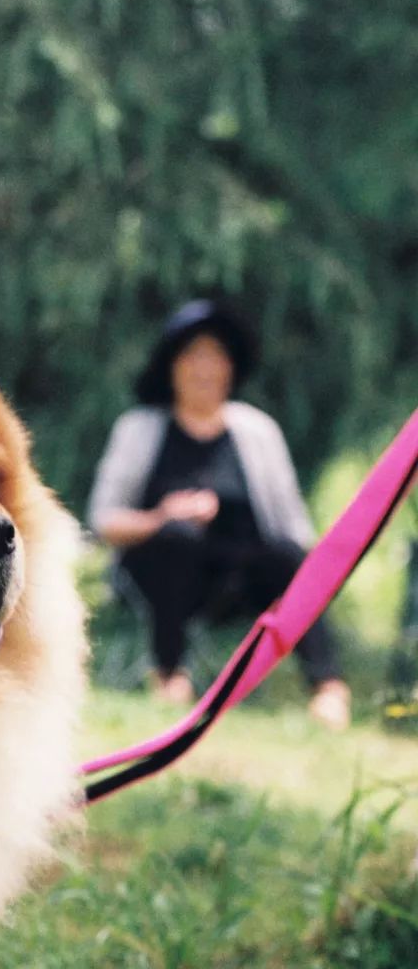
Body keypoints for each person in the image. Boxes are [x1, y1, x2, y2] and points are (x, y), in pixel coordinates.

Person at [87, 299, 351, 730]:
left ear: (232, 369)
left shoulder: (257, 431)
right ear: (171, 367)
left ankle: (328, 687)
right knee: (178, 540)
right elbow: (105, 520)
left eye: (215, 357)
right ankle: (170, 675)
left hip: (238, 577)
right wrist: (163, 515)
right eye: (193, 356)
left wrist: (317, 569)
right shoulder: (140, 428)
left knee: (290, 557)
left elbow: (291, 524)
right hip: (164, 573)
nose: (204, 369)